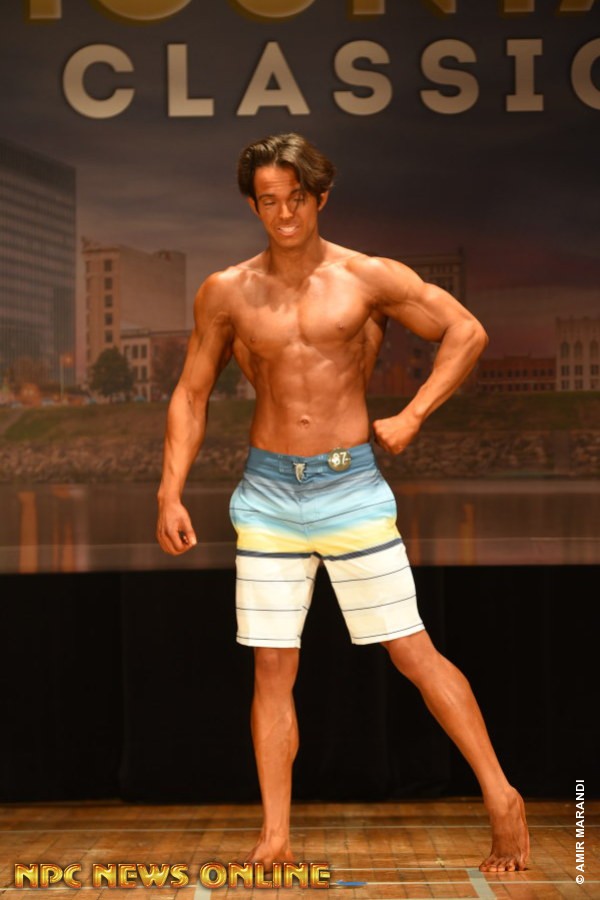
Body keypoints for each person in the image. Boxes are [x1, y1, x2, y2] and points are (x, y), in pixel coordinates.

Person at [156, 132, 530, 874]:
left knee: (411, 649)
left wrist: (414, 413)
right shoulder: (227, 291)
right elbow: (191, 394)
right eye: (269, 200)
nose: (284, 214)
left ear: (320, 197)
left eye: (297, 198)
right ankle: (275, 836)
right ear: (253, 204)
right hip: (268, 494)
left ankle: (502, 796)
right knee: (272, 667)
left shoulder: (366, 276)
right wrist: (169, 490)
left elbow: (466, 330)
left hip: (349, 486)